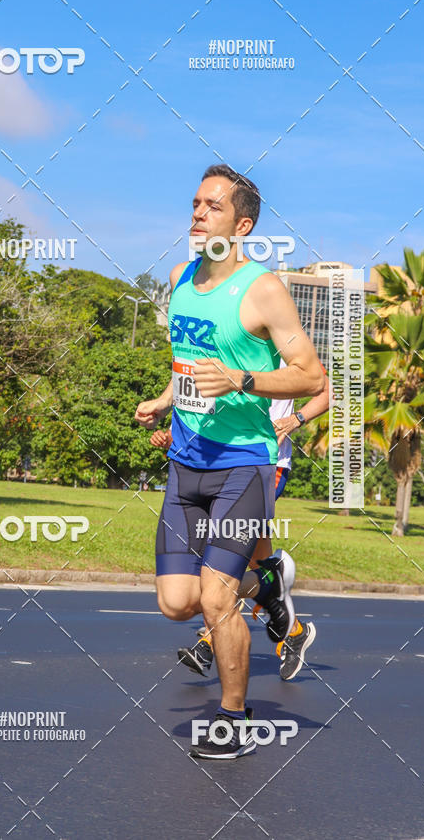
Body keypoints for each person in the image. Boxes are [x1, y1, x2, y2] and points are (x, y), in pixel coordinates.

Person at [134, 164, 325, 759]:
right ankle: (267, 585)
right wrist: (167, 400)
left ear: (241, 224)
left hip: (244, 464)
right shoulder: (181, 277)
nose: (197, 213)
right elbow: (185, 358)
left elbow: (312, 377)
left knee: (216, 602)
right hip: (186, 464)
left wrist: (241, 377)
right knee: (175, 603)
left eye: (212, 206)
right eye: (194, 202)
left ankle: (231, 721)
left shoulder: (263, 290)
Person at [150, 366, 329, 681]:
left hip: (264, 464)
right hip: (220, 464)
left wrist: (294, 420)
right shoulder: (227, 337)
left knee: (226, 558)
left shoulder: (284, 349)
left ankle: (208, 642)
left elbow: (327, 388)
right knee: (259, 562)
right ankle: (294, 632)